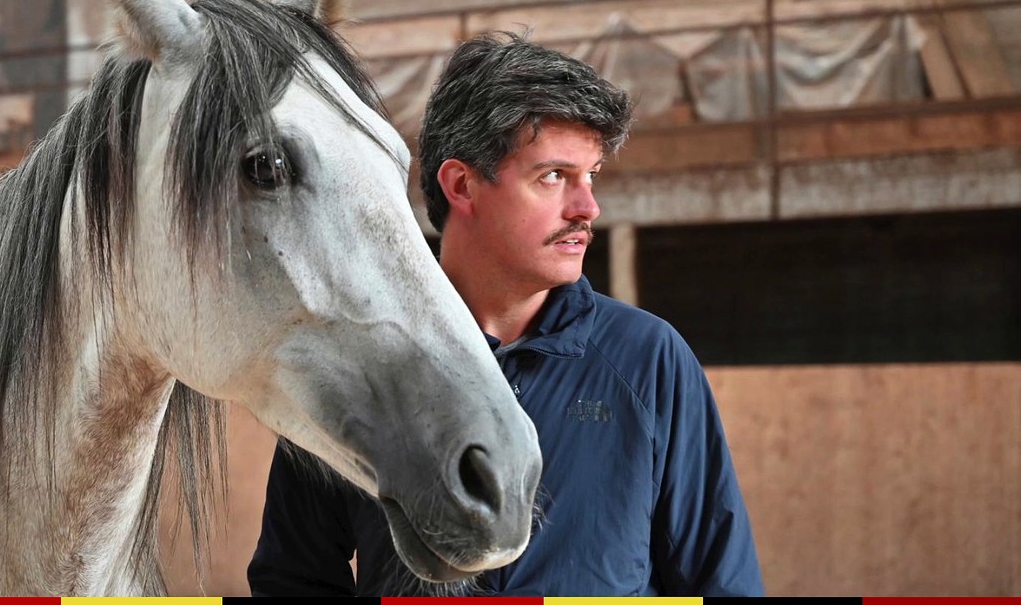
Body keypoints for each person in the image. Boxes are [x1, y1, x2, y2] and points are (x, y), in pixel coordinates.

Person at [247, 32, 764, 596]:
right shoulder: (355, 359)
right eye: (553, 176)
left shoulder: (648, 360)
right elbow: (292, 579)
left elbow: (723, 583)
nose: (587, 207)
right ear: (462, 185)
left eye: (591, 175)